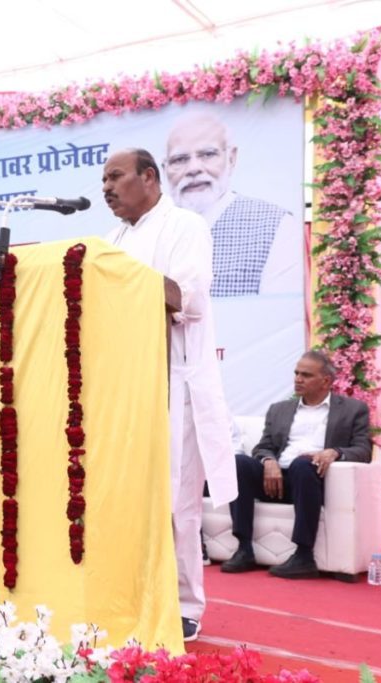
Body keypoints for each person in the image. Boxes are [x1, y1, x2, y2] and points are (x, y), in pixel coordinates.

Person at [102, 148, 236, 643]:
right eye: (104, 179)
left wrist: (122, 282)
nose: (107, 187)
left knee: (178, 502)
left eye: (116, 177)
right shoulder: (112, 239)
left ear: (150, 178)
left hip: (173, 380)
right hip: (124, 387)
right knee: (130, 497)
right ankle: (136, 591)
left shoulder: (185, 226)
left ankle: (184, 605)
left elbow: (190, 295)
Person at [221, 350, 372, 579]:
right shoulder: (279, 409)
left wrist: (335, 452)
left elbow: (364, 450)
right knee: (238, 463)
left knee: (303, 464)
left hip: (312, 480)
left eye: (306, 375)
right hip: (275, 478)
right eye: (296, 373)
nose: (298, 379)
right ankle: (244, 549)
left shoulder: (352, 410)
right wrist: (268, 461)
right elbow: (262, 447)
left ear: (326, 381)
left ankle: (303, 556)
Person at [163, 113, 302, 297]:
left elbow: (279, 317)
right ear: (164, 169)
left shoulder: (276, 226)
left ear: (231, 158)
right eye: (180, 159)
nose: (193, 169)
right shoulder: (152, 232)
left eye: (207, 154)